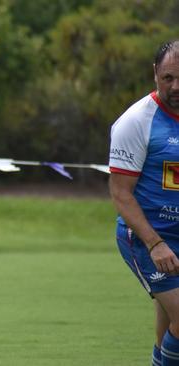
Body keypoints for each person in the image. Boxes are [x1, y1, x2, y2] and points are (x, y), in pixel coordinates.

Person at [109, 39, 179, 366]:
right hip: (146, 238)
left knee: (169, 325)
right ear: (155, 74)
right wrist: (156, 244)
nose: (176, 86)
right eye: (168, 78)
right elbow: (121, 194)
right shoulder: (136, 121)